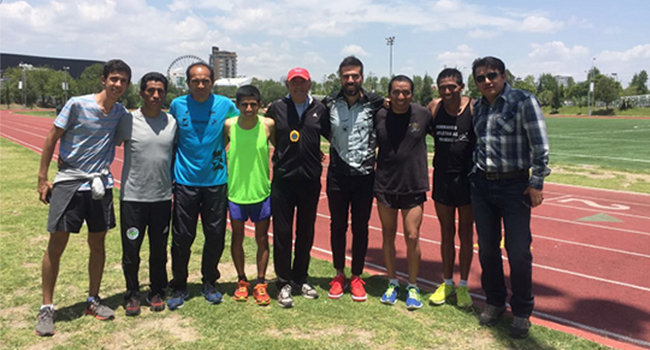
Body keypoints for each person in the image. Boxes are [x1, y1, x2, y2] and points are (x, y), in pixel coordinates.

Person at [35, 59, 131, 336]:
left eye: (123, 81)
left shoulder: (120, 112)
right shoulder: (77, 104)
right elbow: (51, 137)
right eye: (114, 79)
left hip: (100, 185)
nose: (118, 85)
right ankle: (47, 308)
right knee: (57, 244)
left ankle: (93, 299)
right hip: (70, 183)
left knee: (98, 243)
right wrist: (42, 177)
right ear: (103, 79)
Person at [470, 56, 550, 338]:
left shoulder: (523, 101)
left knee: (517, 251)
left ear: (503, 75)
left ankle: (522, 311)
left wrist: (536, 182)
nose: (487, 81)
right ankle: (494, 302)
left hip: (514, 186)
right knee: (488, 249)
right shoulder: (478, 106)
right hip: (482, 186)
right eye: (480, 78)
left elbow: (540, 145)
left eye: (492, 75)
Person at [167, 62, 240, 310]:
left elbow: (238, 133)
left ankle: (210, 281)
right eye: (195, 81)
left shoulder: (226, 106)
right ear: (188, 83)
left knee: (215, 236)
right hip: (185, 182)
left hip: (216, 183)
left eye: (205, 80)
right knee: (182, 237)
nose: (200, 85)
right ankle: (178, 285)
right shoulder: (177, 105)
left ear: (212, 82)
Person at [114, 72, 176, 315]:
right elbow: (107, 146)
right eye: (150, 90)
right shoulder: (128, 121)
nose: (155, 95)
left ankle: (157, 291)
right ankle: (131, 294)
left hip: (161, 198)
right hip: (133, 198)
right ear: (141, 93)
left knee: (159, 250)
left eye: (160, 91)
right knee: (131, 251)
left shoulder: (172, 123)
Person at [265, 67, 328, 308]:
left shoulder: (320, 109)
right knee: (282, 233)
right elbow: (271, 135)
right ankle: (283, 283)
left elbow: (326, 134)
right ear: (288, 85)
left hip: (310, 180)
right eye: (294, 83)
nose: (298, 87)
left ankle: (300, 278)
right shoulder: (277, 107)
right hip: (283, 180)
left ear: (310, 84)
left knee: (305, 232)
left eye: (303, 83)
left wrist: (312, 152)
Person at [322, 56, 383, 302]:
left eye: (355, 75)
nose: (350, 80)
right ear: (340, 77)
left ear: (362, 78)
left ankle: (357, 276)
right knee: (337, 226)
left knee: (361, 228)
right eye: (346, 76)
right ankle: (339, 274)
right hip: (337, 174)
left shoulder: (376, 103)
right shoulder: (328, 103)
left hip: (365, 177)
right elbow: (321, 130)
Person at [374, 75, 433, 310]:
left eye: (406, 92)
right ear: (389, 94)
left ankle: (413, 285)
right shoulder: (379, 114)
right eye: (396, 92)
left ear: (412, 93)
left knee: (412, 236)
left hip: (413, 184)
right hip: (385, 184)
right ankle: (392, 282)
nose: (401, 97)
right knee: (388, 235)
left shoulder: (423, 114)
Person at [426, 68, 475, 308]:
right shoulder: (434, 108)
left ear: (461, 87)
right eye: (443, 87)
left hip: (467, 180)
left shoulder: (473, 108)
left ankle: (464, 285)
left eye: (451, 87)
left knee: (466, 233)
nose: (447, 91)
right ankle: (447, 283)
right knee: (446, 232)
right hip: (443, 178)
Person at [224, 85, 275, 306]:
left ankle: (261, 283)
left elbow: (284, 149)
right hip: (236, 193)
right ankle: (242, 280)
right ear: (237, 105)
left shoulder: (268, 125)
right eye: (244, 104)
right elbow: (215, 150)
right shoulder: (229, 126)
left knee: (262, 239)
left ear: (260, 104)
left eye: (253, 104)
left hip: (261, 192)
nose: (249, 108)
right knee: (237, 238)